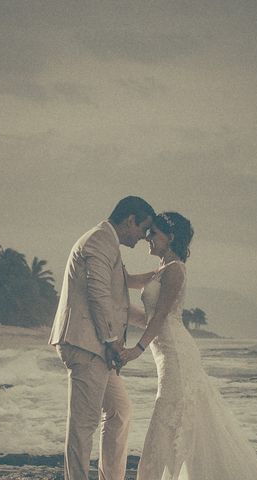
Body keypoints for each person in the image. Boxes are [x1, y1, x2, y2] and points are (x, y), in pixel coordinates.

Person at [120, 212, 257, 480]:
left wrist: (136, 350)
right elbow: (127, 282)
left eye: (154, 233)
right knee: (175, 417)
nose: (148, 238)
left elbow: (160, 316)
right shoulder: (160, 270)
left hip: (177, 355)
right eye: (148, 233)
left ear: (170, 237)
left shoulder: (175, 270)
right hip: (166, 354)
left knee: (173, 416)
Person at [49, 196, 155, 480]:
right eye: (142, 229)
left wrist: (154, 320)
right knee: (83, 425)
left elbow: (117, 300)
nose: (144, 237)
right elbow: (98, 297)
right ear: (130, 220)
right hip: (86, 345)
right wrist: (112, 341)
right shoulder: (98, 241)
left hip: (97, 347)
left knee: (120, 412)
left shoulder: (108, 245)